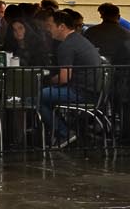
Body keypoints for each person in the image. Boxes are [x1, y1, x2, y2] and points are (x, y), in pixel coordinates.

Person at [39, 8, 105, 149]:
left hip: (80, 93)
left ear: (61, 26)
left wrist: (47, 81)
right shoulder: (80, 40)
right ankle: (64, 129)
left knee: (37, 97)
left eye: (50, 26)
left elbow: (64, 78)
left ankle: (64, 133)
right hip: (94, 92)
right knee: (46, 95)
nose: (48, 30)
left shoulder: (66, 46)